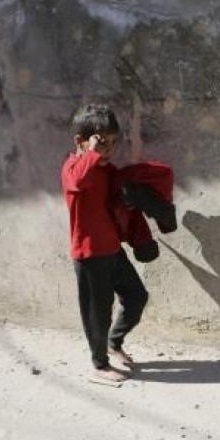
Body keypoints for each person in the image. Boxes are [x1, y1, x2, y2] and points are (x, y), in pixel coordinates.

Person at [61, 104, 148, 383]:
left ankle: (114, 341)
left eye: (112, 142)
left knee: (137, 296)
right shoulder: (73, 167)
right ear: (80, 141)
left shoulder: (106, 170)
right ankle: (99, 366)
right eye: (101, 142)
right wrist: (91, 154)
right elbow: (76, 181)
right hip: (89, 255)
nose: (108, 149)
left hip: (112, 250)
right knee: (97, 313)